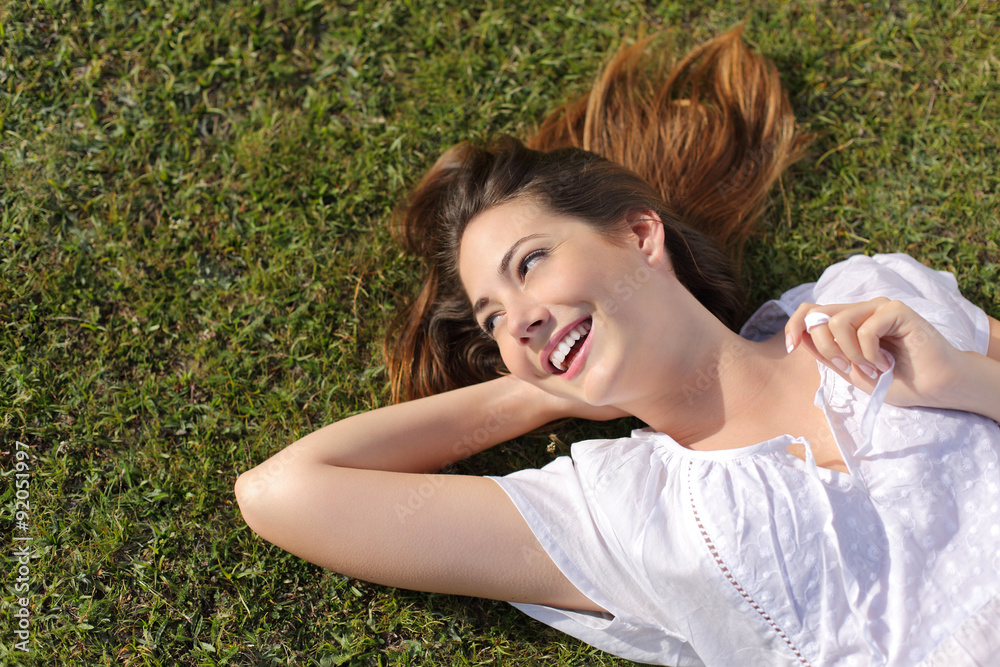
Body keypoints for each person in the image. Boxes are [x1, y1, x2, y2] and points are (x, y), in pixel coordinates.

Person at [234, 27, 1000, 666]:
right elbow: (285, 490)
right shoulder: (620, 513)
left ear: (640, 236)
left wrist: (966, 379)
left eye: (530, 264)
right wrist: (544, 382)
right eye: (494, 319)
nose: (518, 321)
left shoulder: (868, 298)